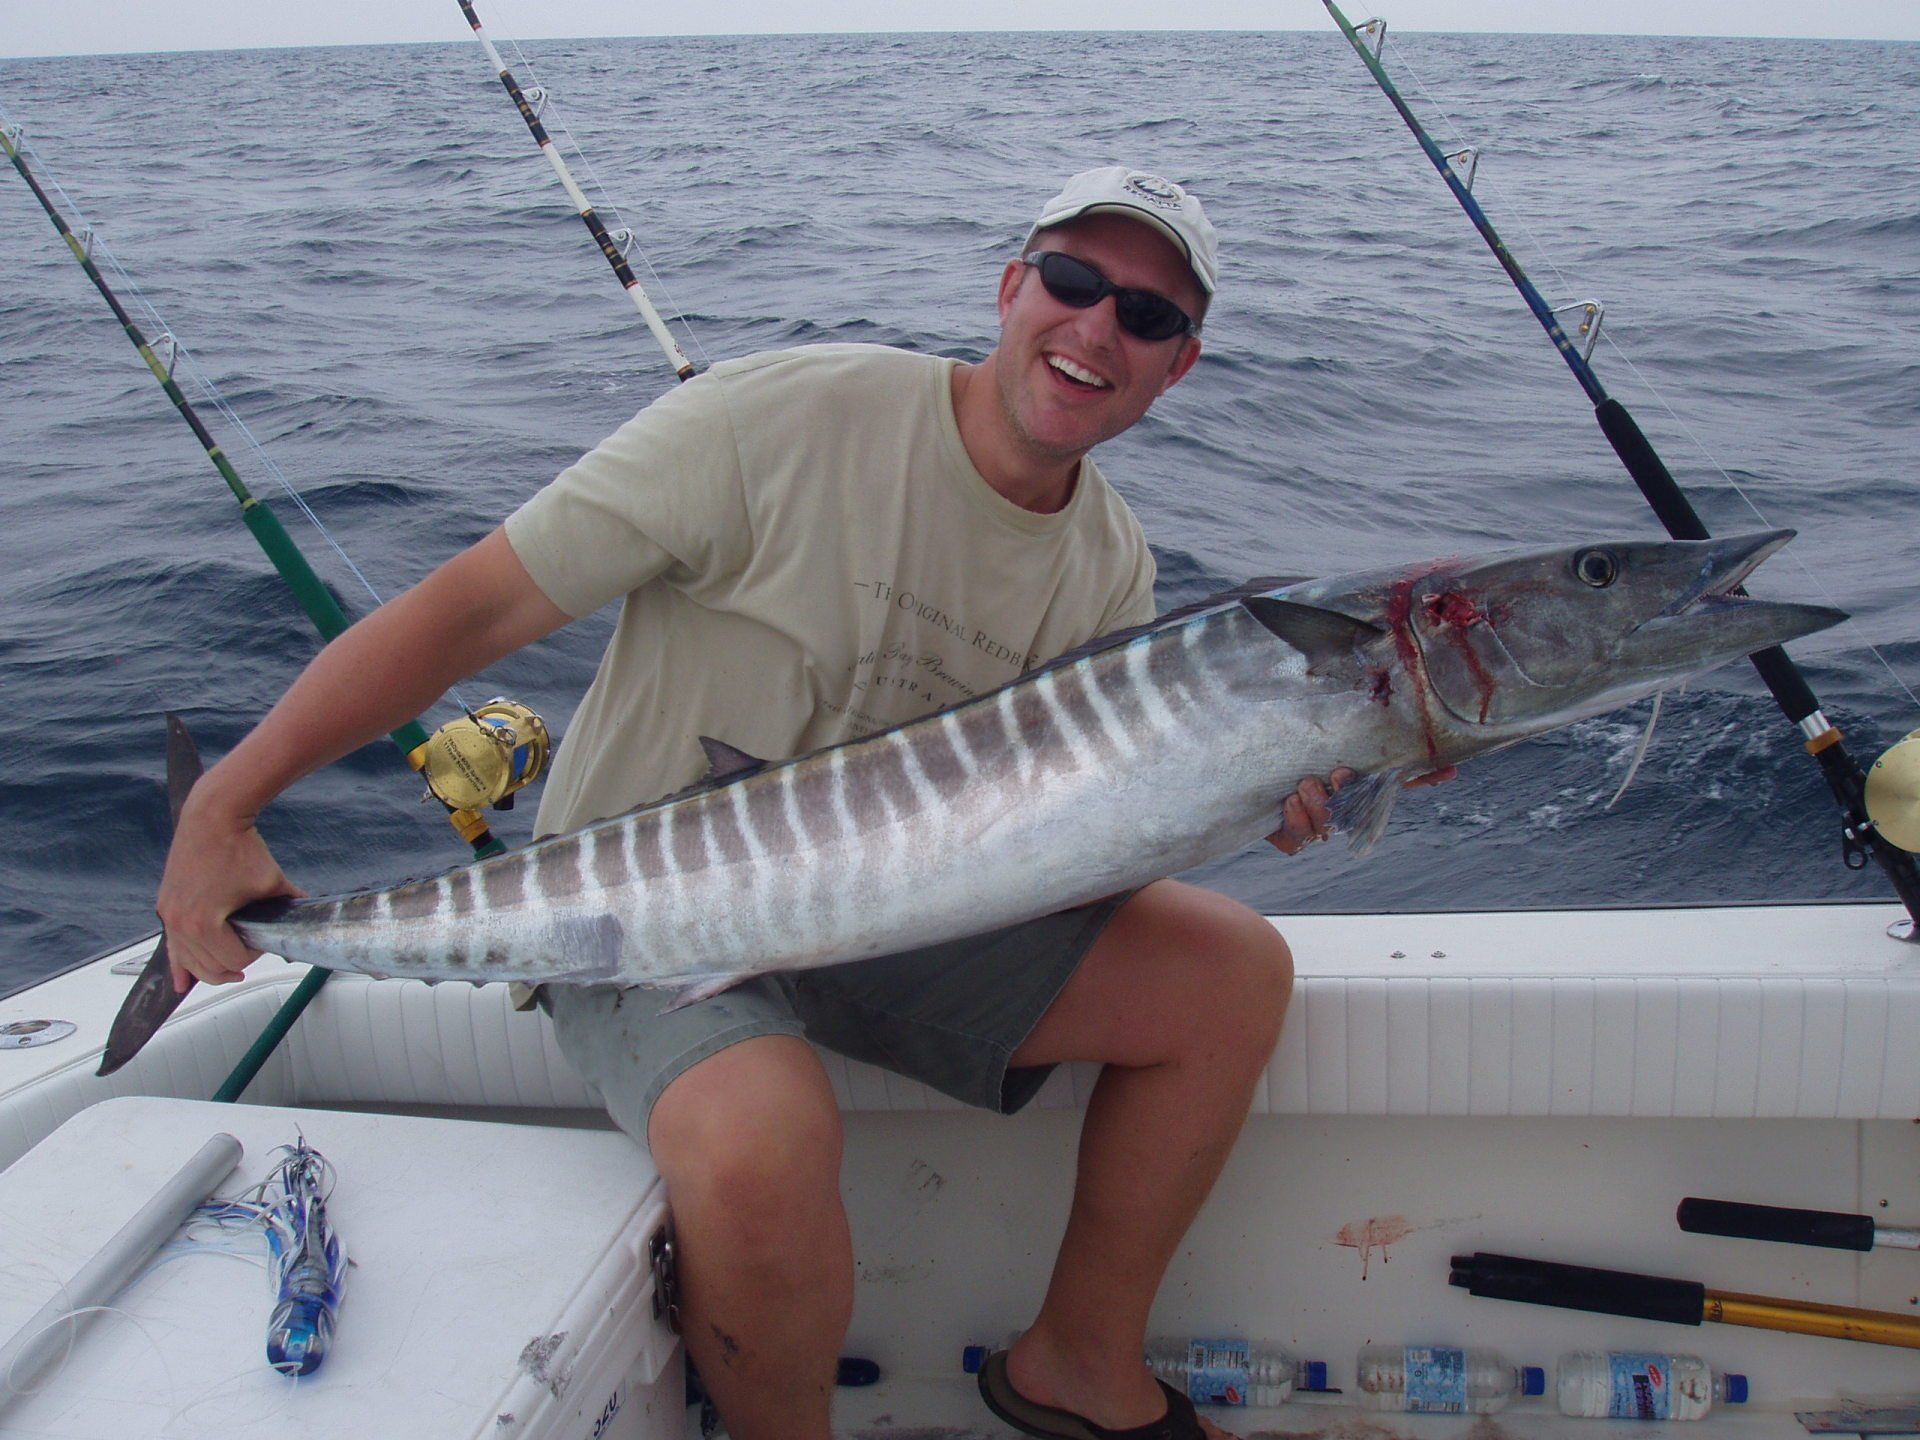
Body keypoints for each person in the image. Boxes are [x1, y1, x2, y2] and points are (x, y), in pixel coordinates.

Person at [157, 167, 1392, 1440]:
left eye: (1146, 316)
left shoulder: (1108, 564)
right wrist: (228, 806)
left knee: (1228, 974)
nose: (1095, 331)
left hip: (906, 912)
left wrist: (1254, 802)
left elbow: (1063, 852)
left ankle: (1076, 1365)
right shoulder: (780, 417)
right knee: (761, 1137)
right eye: (1074, 283)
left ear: (1181, 365)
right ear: (1012, 285)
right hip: (636, 913)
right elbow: (475, 608)